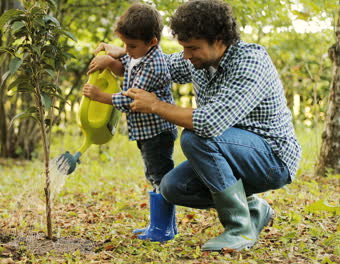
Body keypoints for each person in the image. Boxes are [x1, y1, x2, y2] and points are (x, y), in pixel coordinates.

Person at [98, 0, 302, 251]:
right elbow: (160, 65)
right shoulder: (198, 60)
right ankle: (254, 209)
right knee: (172, 187)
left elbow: (208, 123)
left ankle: (240, 230)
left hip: (271, 159)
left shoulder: (250, 63)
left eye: (192, 48)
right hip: (228, 150)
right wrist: (128, 53)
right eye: (184, 47)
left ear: (219, 40)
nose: (186, 55)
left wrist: (155, 105)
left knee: (194, 137)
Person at [83, 3, 178, 242]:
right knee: (154, 175)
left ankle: (162, 229)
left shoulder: (154, 63)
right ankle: (164, 226)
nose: (126, 50)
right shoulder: (139, 55)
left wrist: (101, 97)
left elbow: (133, 98)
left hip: (158, 131)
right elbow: (126, 70)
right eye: (125, 44)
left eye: (131, 46)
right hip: (146, 131)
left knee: (159, 177)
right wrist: (110, 63)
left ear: (153, 42)